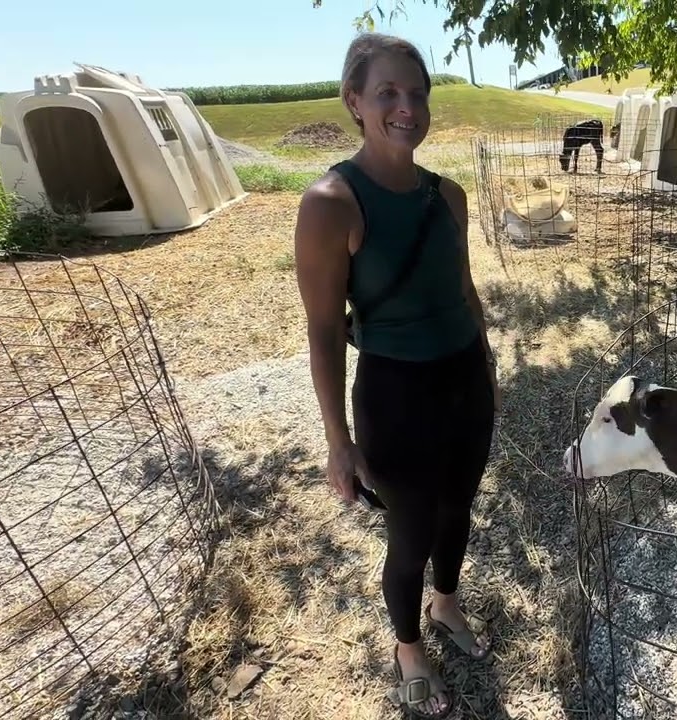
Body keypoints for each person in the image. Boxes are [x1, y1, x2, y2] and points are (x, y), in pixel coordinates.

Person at [293, 32, 500, 719]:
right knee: (411, 532)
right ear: (354, 101)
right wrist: (337, 440)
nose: (406, 107)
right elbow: (324, 331)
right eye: (387, 93)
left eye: (417, 94)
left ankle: (446, 605)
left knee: (458, 511)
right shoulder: (331, 203)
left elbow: (464, 291)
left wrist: (489, 361)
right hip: (396, 395)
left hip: (466, 381)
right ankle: (408, 647)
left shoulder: (450, 196)